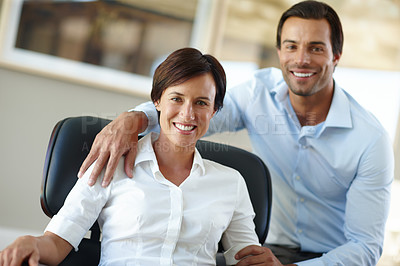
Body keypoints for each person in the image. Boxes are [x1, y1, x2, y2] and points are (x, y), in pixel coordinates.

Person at [75, 1, 393, 265]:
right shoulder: (258, 95)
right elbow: (192, 114)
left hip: (328, 259)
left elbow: (365, 246)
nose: (301, 59)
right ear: (279, 52)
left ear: (336, 56)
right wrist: (133, 119)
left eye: (316, 48)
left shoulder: (369, 140)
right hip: (268, 250)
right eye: (291, 46)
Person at [0, 48, 275, 266]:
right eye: (176, 98)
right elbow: (58, 242)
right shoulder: (112, 162)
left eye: (201, 102)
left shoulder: (231, 183)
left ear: (215, 111)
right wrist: (31, 243)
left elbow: (247, 259)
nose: (188, 114)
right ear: (157, 101)